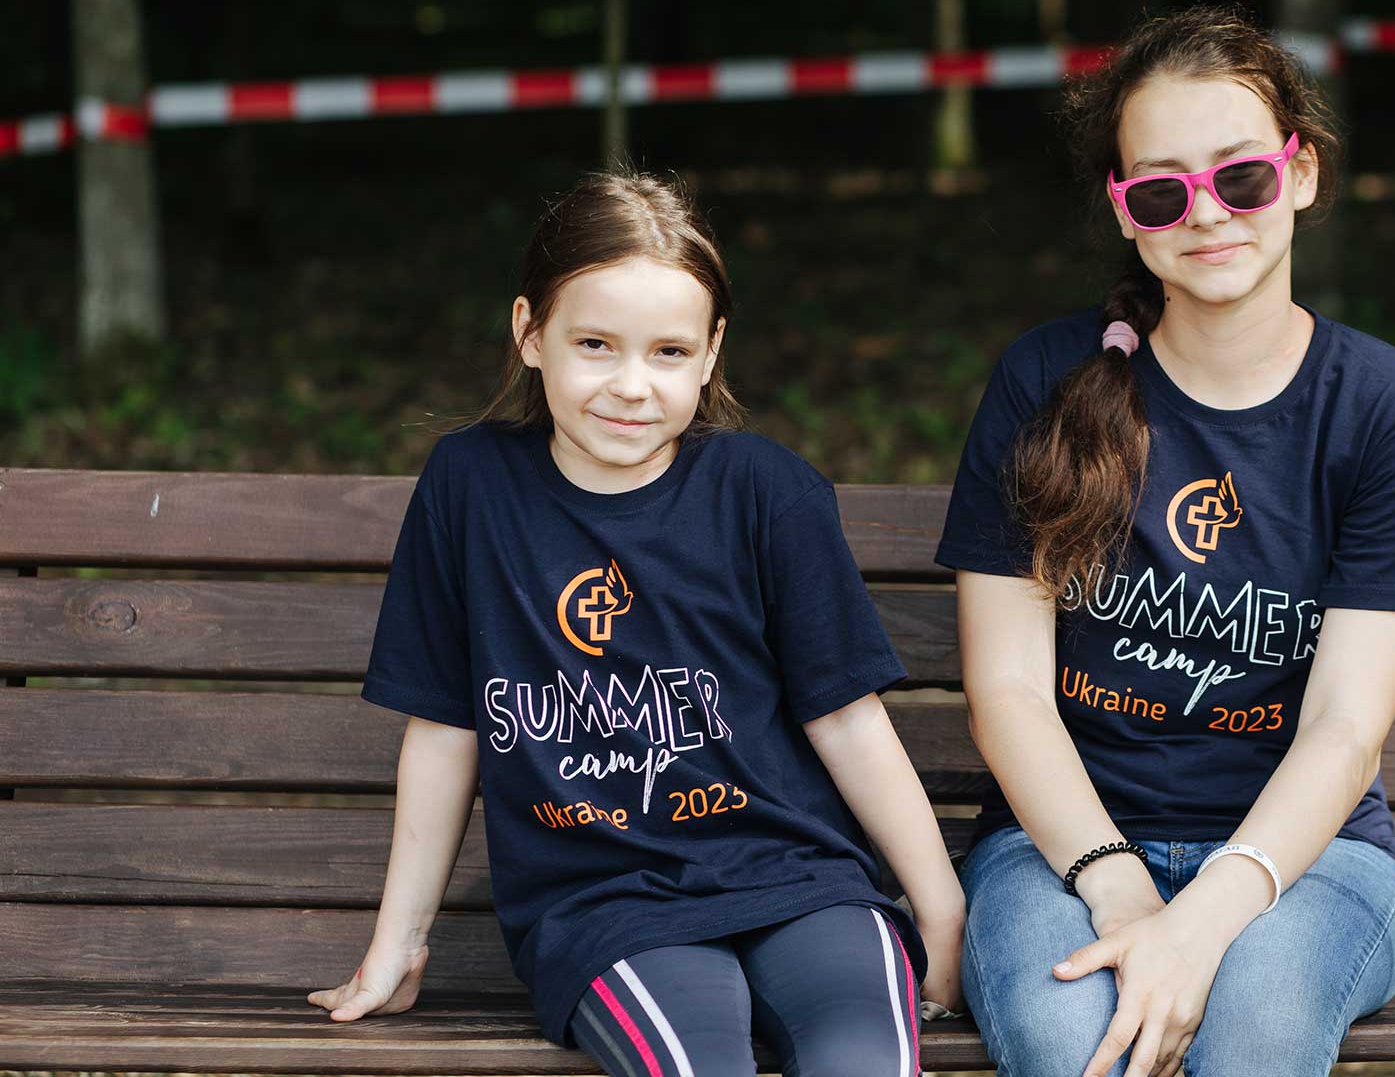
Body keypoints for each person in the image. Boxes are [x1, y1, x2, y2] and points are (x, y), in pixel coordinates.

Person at [306, 169, 965, 1077]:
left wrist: (940, 908)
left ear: (711, 352)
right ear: (529, 334)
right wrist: (398, 943)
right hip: (606, 902)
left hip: (799, 881)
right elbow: (445, 725)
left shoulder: (765, 492)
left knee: (866, 1060)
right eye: (594, 344)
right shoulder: (472, 488)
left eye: (667, 351)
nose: (631, 385)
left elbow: (847, 716)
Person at [936, 7, 1395, 1077]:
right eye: (1165, 189)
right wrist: (1118, 882)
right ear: (1129, 215)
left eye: (1244, 178)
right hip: (1060, 851)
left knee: (1258, 1027)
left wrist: (1201, 918)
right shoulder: (1046, 381)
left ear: (1300, 176)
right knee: (1068, 1037)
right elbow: (1010, 695)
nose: (1208, 214)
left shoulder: (1390, 411)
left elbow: (1345, 728)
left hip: (1304, 863)